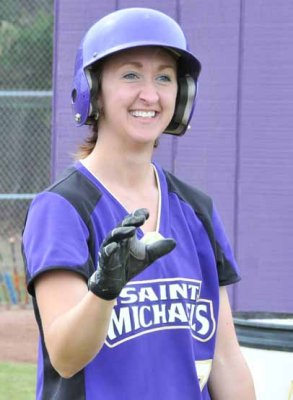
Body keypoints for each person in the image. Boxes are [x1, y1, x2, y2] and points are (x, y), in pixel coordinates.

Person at [22, 7, 256, 400]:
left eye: (164, 77)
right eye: (131, 74)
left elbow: (225, 359)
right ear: (93, 90)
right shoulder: (62, 208)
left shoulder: (196, 210)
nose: (150, 94)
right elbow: (65, 355)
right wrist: (105, 289)